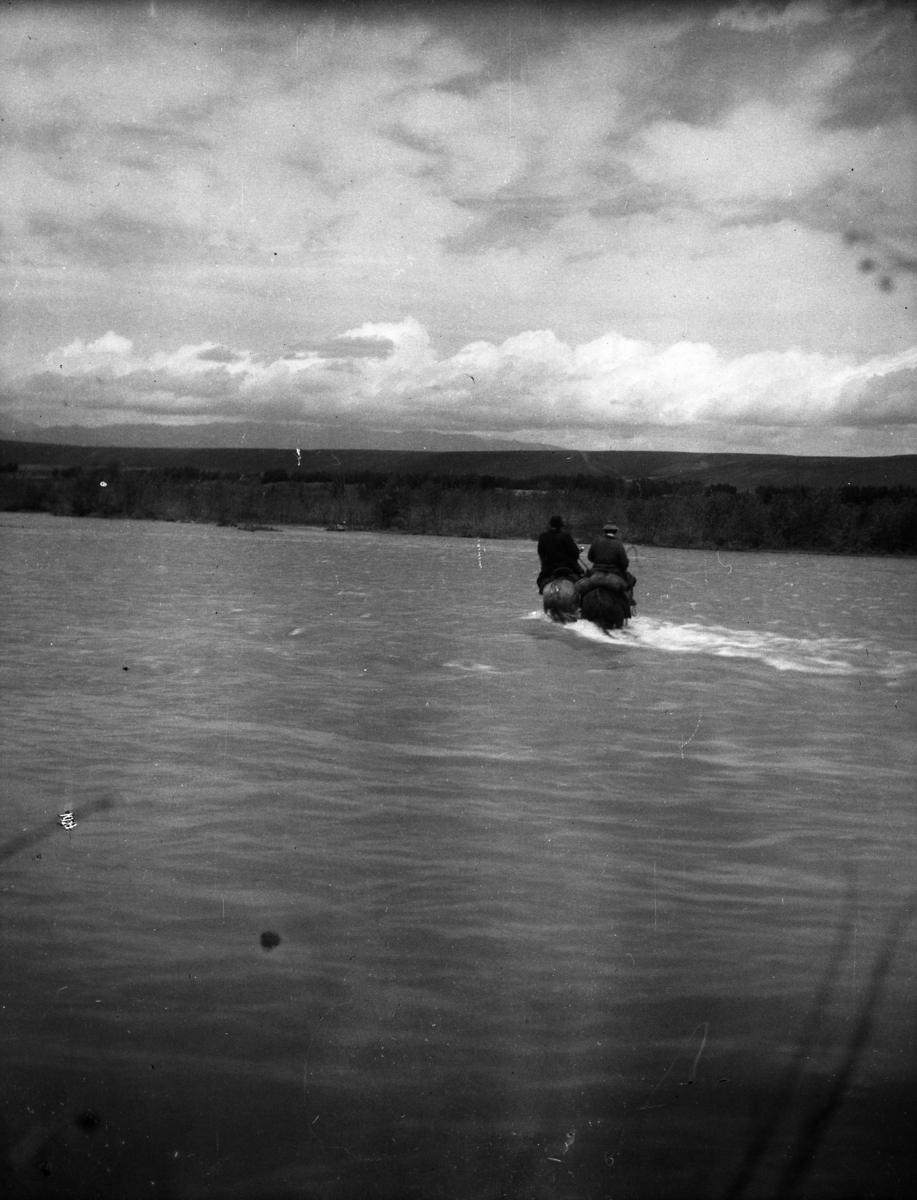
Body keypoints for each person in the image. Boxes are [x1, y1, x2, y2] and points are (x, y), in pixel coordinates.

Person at [536, 515, 583, 593]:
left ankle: (542, 590)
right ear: (561, 525)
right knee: (581, 578)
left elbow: (541, 552)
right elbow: (575, 553)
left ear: (551, 524)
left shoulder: (543, 536)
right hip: (568, 566)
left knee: (540, 580)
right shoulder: (566, 535)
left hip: (549, 567)